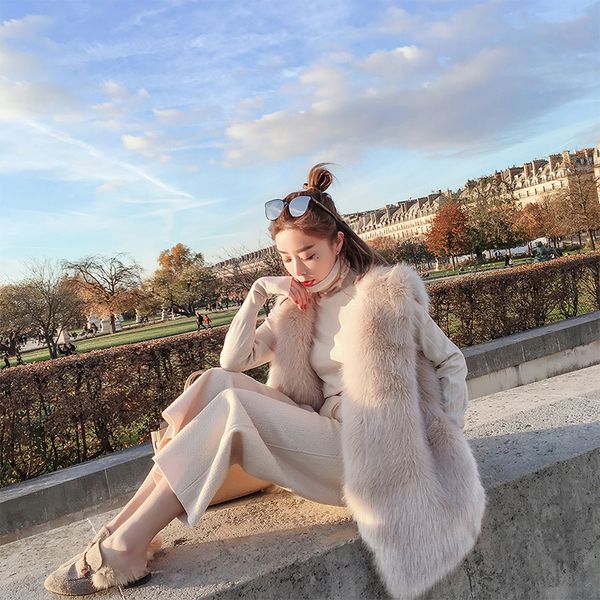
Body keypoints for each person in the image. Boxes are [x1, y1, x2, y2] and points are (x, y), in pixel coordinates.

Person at [44, 164, 485, 598]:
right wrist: (257, 292)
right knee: (215, 383)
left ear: (337, 242)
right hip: (323, 431)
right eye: (286, 259)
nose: (299, 269)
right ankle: (122, 530)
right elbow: (233, 361)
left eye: (309, 254)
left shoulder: (385, 294)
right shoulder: (297, 305)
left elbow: (451, 362)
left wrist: (440, 444)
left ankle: (124, 548)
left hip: (372, 450)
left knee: (235, 409)